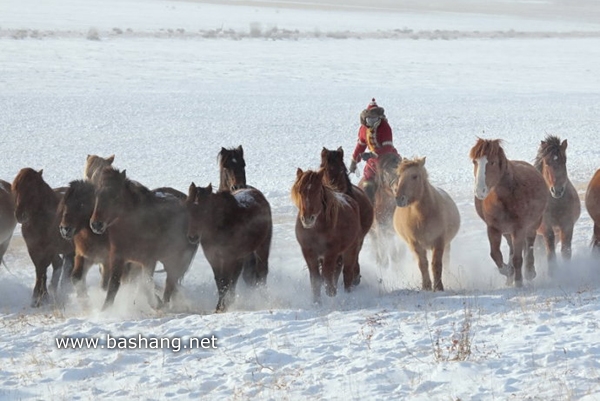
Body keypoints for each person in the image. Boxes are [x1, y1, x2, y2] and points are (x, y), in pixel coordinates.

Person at [349, 98, 399, 203]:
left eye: (374, 119)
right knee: (368, 184)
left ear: (379, 118)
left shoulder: (385, 127)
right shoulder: (363, 129)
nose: (371, 122)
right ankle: (370, 206)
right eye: (369, 119)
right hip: (373, 164)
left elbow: (387, 148)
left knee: (397, 181)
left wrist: (372, 154)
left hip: (389, 160)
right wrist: (354, 161)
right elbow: (360, 146)